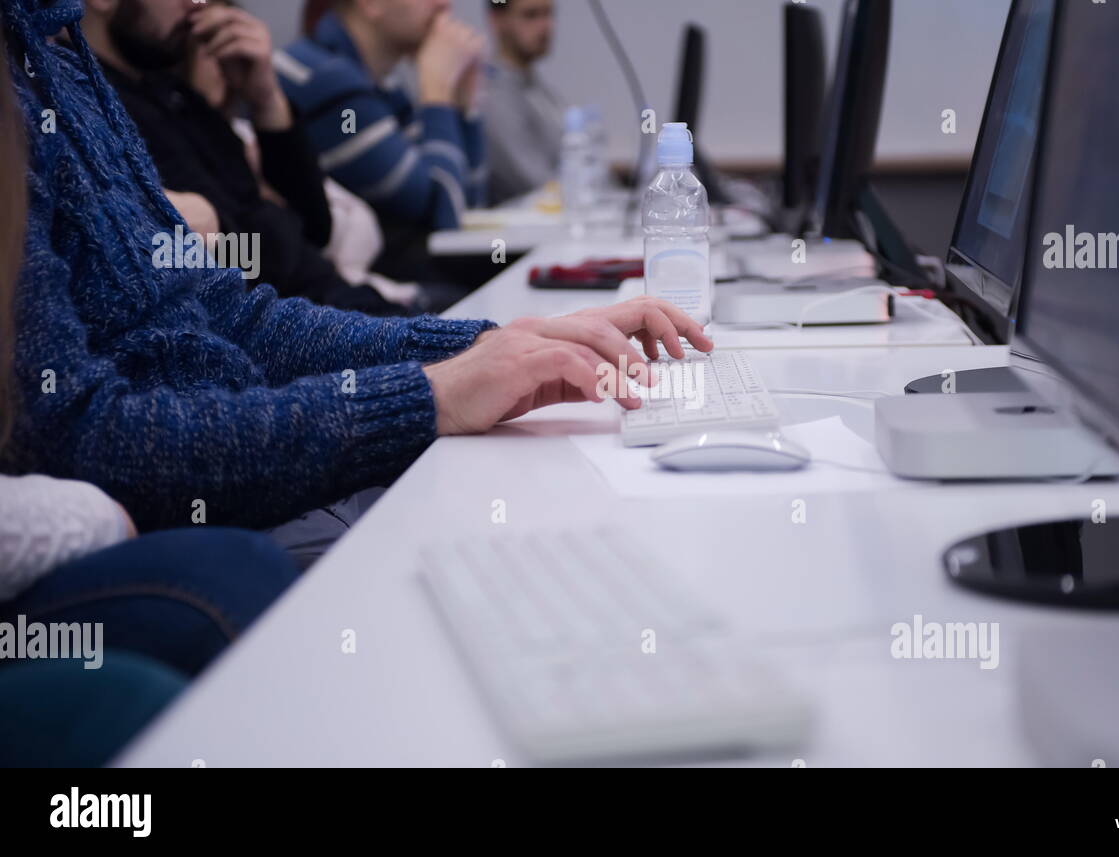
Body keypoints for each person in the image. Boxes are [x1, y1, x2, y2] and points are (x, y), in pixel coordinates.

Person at [2, 0, 710, 565]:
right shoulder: (26, 84)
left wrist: (485, 345)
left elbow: (236, 316)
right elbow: (84, 438)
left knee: (555, 504)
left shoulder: (63, 65)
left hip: (255, 465)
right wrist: (425, 395)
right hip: (196, 523)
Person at [0, 21, 299, 768]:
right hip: (113, 490)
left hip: (134, 480)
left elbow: (258, 277)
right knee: (241, 580)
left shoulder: (62, 63)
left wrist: (449, 361)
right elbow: (80, 426)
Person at [80, 0, 412, 316]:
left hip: (338, 307)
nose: (198, 5)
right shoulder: (93, 112)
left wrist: (267, 103)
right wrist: (269, 231)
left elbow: (315, 229)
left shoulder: (171, 94)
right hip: (297, 332)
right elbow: (235, 260)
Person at [279, 0, 487, 279]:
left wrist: (464, 105)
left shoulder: (381, 83)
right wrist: (438, 93)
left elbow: (469, 205)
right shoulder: (325, 80)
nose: (444, 4)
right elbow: (444, 218)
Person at [480, 0, 565, 204]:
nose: (545, 26)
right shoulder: (492, 95)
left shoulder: (536, 88)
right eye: (531, 15)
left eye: (548, 14)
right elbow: (539, 183)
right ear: (497, 20)